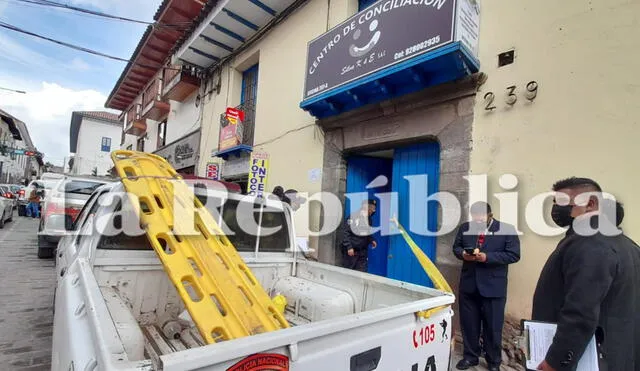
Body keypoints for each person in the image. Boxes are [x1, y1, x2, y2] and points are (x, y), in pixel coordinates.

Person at [532, 177, 640, 371]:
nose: (557, 209)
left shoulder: (590, 243)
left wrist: (556, 361)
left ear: (590, 203)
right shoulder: (628, 245)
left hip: (592, 360)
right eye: (555, 203)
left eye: (563, 203)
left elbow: (580, 311)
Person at [452, 201, 521, 371]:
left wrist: (487, 257)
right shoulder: (465, 228)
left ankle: (493, 362)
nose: (478, 221)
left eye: (481, 217)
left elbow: (513, 255)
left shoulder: (506, 229)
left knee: (493, 327)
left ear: (490, 215)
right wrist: (463, 255)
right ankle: (470, 357)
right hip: (469, 286)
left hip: (493, 287)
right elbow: (456, 247)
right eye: (475, 218)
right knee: (469, 325)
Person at [341, 199, 377, 272]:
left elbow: (368, 232)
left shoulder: (369, 219)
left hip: (362, 252)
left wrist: (371, 240)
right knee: (349, 272)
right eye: (372, 208)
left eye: (374, 208)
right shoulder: (353, 216)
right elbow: (345, 232)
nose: (373, 211)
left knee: (362, 272)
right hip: (352, 251)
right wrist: (349, 247)